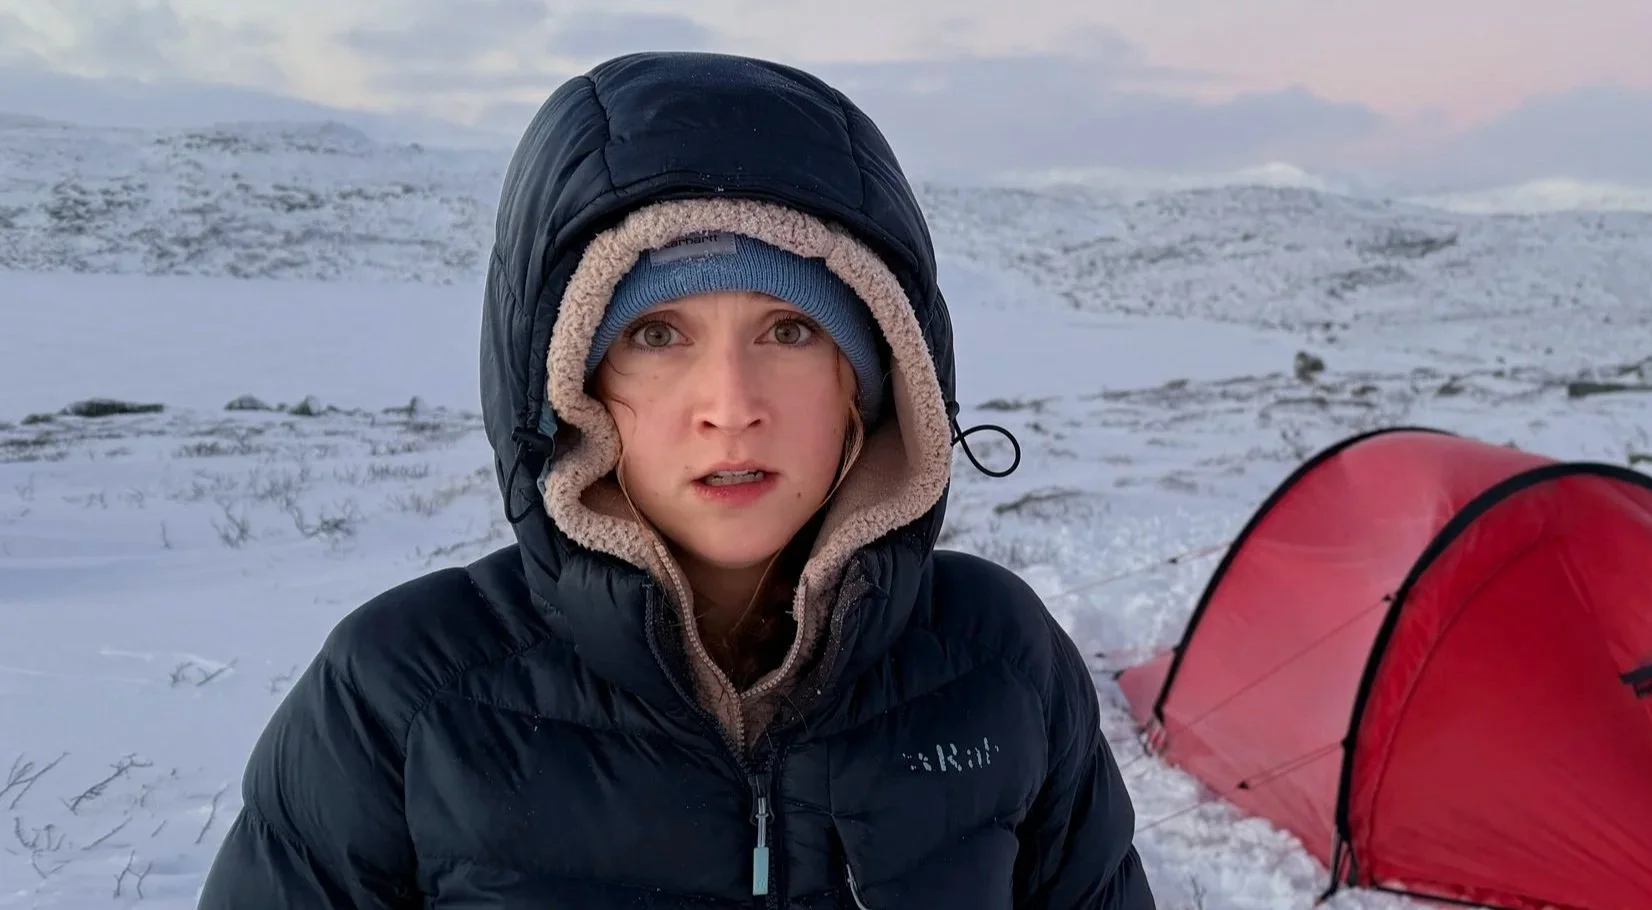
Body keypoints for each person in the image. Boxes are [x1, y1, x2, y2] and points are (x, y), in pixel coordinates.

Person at [197, 51, 1155, 908]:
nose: (730, 404)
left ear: (870, 383)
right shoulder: (404, 693)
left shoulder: (997, 663)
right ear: (569, 383)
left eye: (791, 331)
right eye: (656, 336)